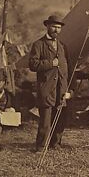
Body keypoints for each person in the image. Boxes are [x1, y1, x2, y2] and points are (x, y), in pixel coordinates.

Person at [29, 14, 72, 151]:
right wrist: (50, 63)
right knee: (45, 121)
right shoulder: (38, 44)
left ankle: (56, 143)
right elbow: (32, 64)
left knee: (60, 119)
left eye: (59, 28)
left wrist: (68, 89)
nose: (56, 30)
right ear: (47, 26)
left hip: (61, 89)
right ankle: (41, 146)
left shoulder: (63, 46)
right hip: (46, 89)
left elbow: (68, 68)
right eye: (54, 27)